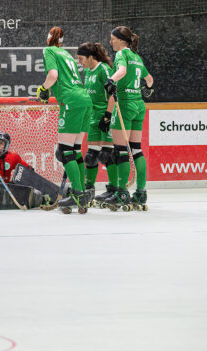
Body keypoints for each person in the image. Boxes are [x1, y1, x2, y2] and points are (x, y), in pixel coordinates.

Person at [37, 27, 93, 213]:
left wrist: (43, 89)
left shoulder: (49, 50)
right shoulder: (67, 54)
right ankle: (82, 193)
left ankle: (78, 193)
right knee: (75, 151)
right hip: (85, 99)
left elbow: (53, 75)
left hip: (71, 101)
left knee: (65, 151)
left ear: (48, 39)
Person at [103, 26, 154, 211]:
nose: (111, 42)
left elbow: (123, 70)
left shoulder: (122, 54)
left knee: (120, 151)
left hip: (124, 105)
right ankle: (141, 192)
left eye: (112, 39)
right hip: (139, 105)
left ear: (121, 40)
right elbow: (149, 80)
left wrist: (111, 80)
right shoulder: (137, 57)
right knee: (136, 150)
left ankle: (122, 193)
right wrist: (147, 89)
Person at [76, 42, 119, 205]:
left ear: (90, 57)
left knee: (107, 155)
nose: (80, 62)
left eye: (81, 58)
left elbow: (113, 94)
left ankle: (114, 189)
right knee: (91, 156)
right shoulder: (88, 71)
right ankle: (89, 189)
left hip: (105, 114)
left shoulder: (103, 69)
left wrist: (108, 115)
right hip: (92, 117)